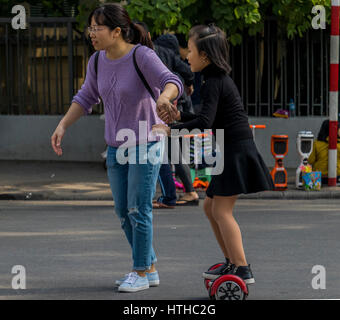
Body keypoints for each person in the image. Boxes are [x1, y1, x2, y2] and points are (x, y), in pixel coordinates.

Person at [50, 3, 183, 293]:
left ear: (117, 31)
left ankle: (139, 272)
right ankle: (149, 267)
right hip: (116, 147)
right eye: (91, 28)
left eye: (97, 28)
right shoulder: (97, 61)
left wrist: (165, 99)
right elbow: (86, 97)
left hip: (146, 143)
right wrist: (63, 125)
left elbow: (172, 81)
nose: (91, 34)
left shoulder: (142, 56)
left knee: (139, 208)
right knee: (123, 211)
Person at [153, 24, 274, 284]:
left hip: (236, 151)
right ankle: (232, 261)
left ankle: (241, 267)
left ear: (205, 56)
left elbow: (205, 123)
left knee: (221, 211)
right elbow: (205, 117)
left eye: (191, 49)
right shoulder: (212, 80)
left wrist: (170, 129)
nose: (187, 55)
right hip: (230, 150)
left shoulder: (213, 82)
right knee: (210, 207)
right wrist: (178, 116)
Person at [308, 119, 340, 184]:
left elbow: (310, 160)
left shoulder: (316, 144)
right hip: (337, 177)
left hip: (319, 178)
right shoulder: (338, 145)